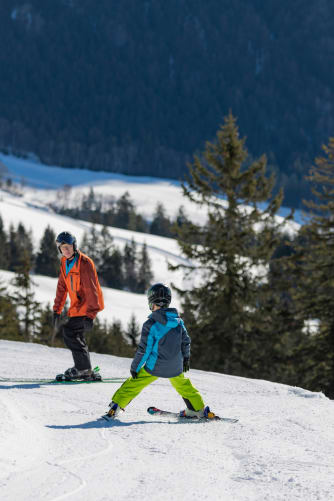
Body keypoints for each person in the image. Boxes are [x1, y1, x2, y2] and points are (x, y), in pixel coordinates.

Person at [103, 282, 215, 420]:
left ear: (152, 303)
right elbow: (186, 341)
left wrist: (135, 367)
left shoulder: (150, 324)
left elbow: (144, 350)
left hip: (154, 367)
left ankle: (115, 407)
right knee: (184, 386)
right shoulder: (179, 322)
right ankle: (198, 409)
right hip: (175, 366)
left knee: (133, 384)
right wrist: (186, 358)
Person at [53, 231, 104, 379]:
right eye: (63, 248)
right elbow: (62, 287)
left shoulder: (85, 263)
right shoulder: (64, 262)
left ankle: (83, 368)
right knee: (77, 335)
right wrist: (57, 309)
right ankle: (85, 369)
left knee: (69, 332)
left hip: (88, 306)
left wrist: (90, 315)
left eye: (68, 247)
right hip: (77, 306)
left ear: (74, 246)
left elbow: (91, 289)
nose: (66, 250)